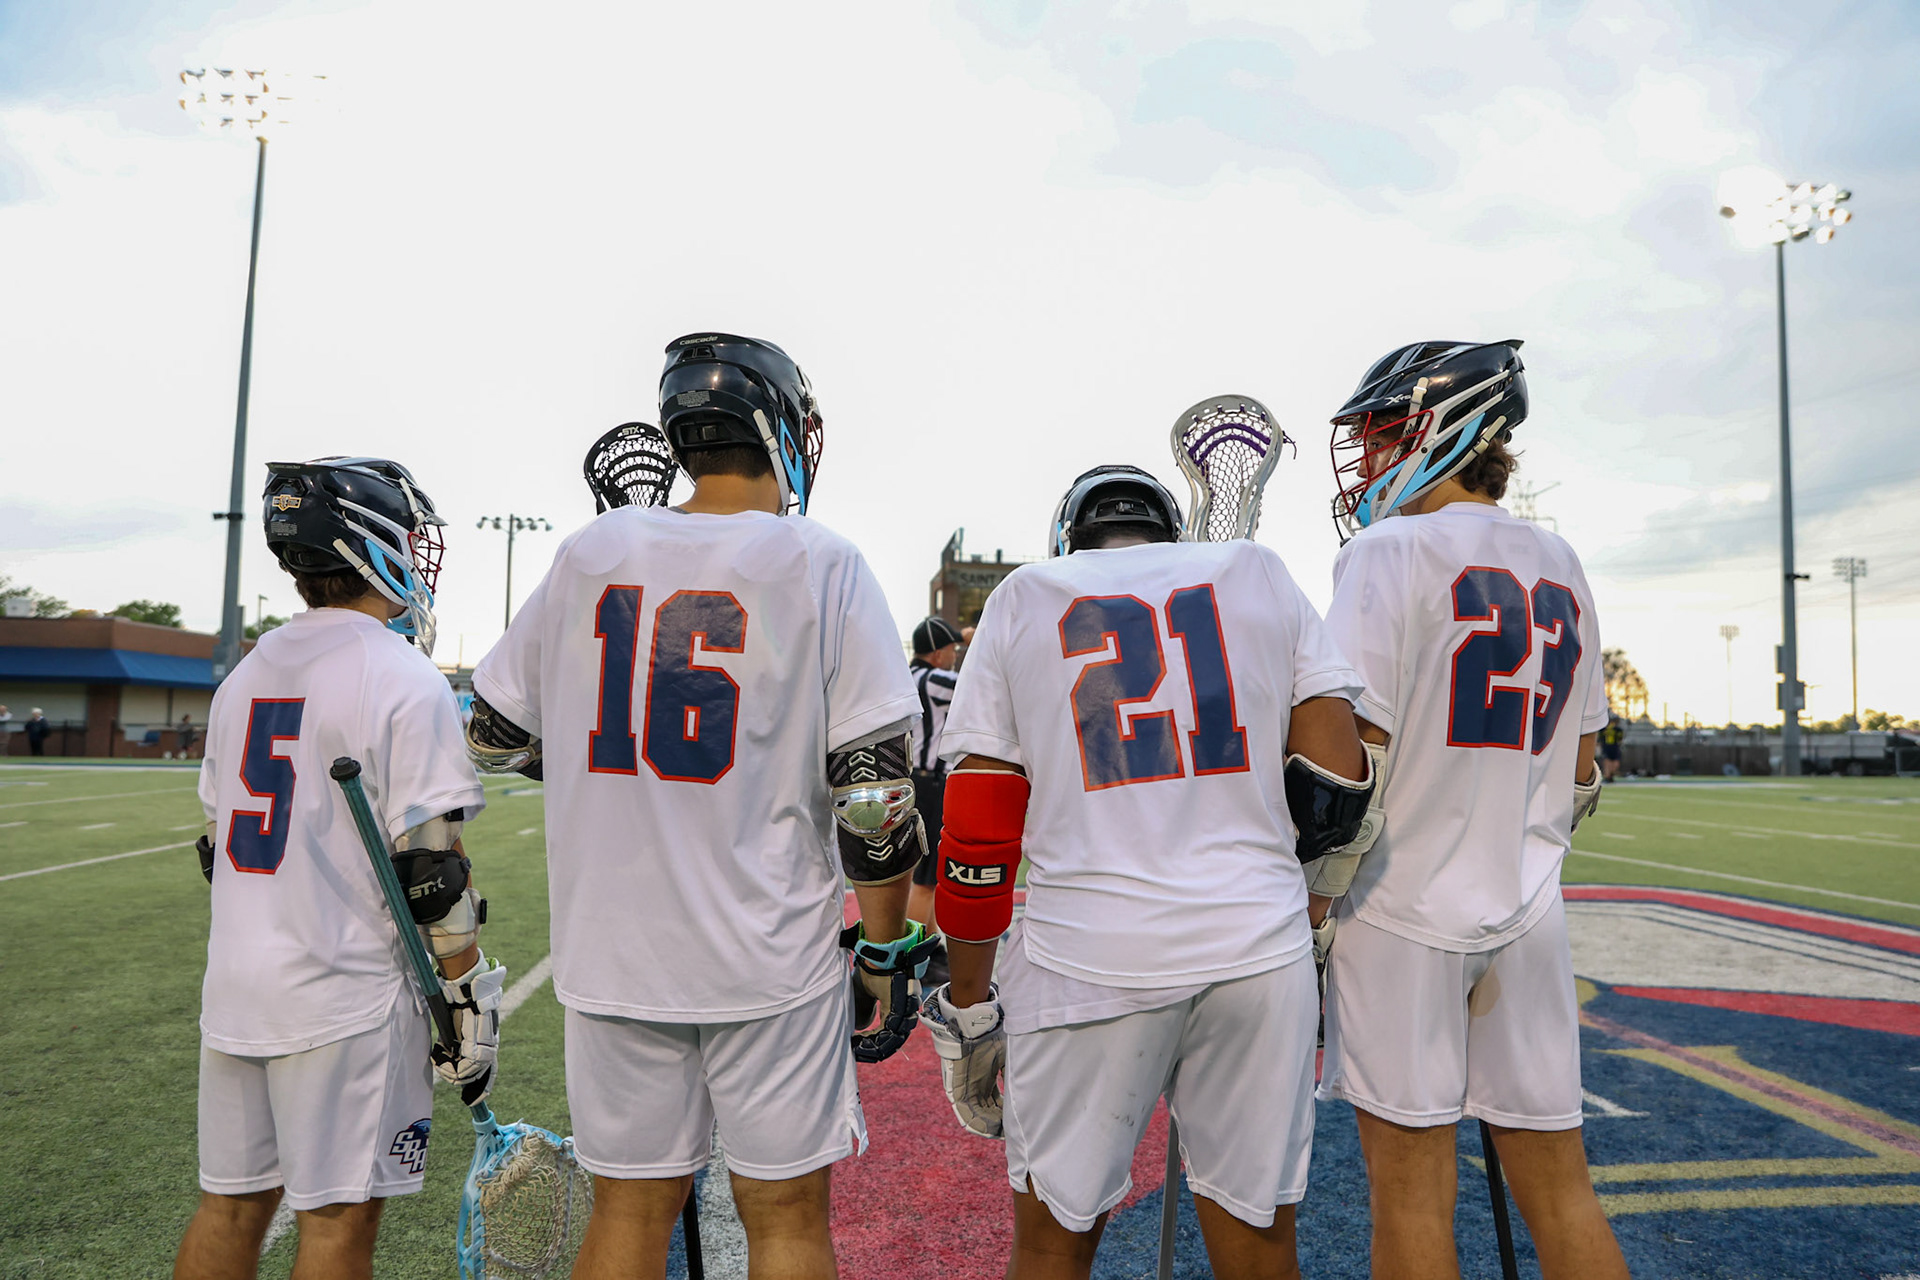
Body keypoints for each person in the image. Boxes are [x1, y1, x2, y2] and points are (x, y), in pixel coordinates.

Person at [469, 333, 932, 1280]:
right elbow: (875, 800)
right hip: (769, 955)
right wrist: (884, 950)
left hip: (612, 954)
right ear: (781, 430)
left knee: (627, 1212)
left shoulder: (591, 550)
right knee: (786, 1217)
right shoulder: (821, 559)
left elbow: (493, 735)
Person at [921, 465, 1374, 1280]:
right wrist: (1298, 910)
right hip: (1256, 951)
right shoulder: (1254, 570)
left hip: (1085, 959)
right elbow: (1338, 783)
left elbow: (980, 836)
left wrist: (970, 1005)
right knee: (1261, 1244)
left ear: (1071, 540)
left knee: (1053, 1248)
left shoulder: (1026, 595)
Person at [1312, 341, 1626, 1280]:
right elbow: (1583, 769)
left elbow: (1350, 761)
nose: (1368, 459)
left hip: (1399, 906)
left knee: (1410, 1198)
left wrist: (1314, 900)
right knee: (1563, 1189)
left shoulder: (1386, 551)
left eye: (1381, 435)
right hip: (1530, 909)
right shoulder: (1560, 558)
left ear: (1442, 432)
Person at [174, 458, 500, 1280]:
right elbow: (433, 873)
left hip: (238, 987)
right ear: (372, 545)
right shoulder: (400, 674)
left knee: (230, 1208)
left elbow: (218, 849)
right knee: (337, 1223)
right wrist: (467, 995)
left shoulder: (244, 676)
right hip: (343, 996)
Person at [907, 615, 962, 983]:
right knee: (926, 879)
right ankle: (915, 957)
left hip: (915, 780)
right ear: (938, 653)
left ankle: (930, 945)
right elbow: (979, 684)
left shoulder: (907, 675)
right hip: (930, 783)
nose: (955, 656)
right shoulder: (934, 680)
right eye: (952, 650)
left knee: (925, 874)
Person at [1599, 713, 1624, 782]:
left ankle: (1610, 775)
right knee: (1608, 762)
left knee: (1614, 763)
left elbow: (1620, 739)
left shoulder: (1618, 730)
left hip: (1614, 747)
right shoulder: (1604, 729)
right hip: (1607, 747)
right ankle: (1608, 776)